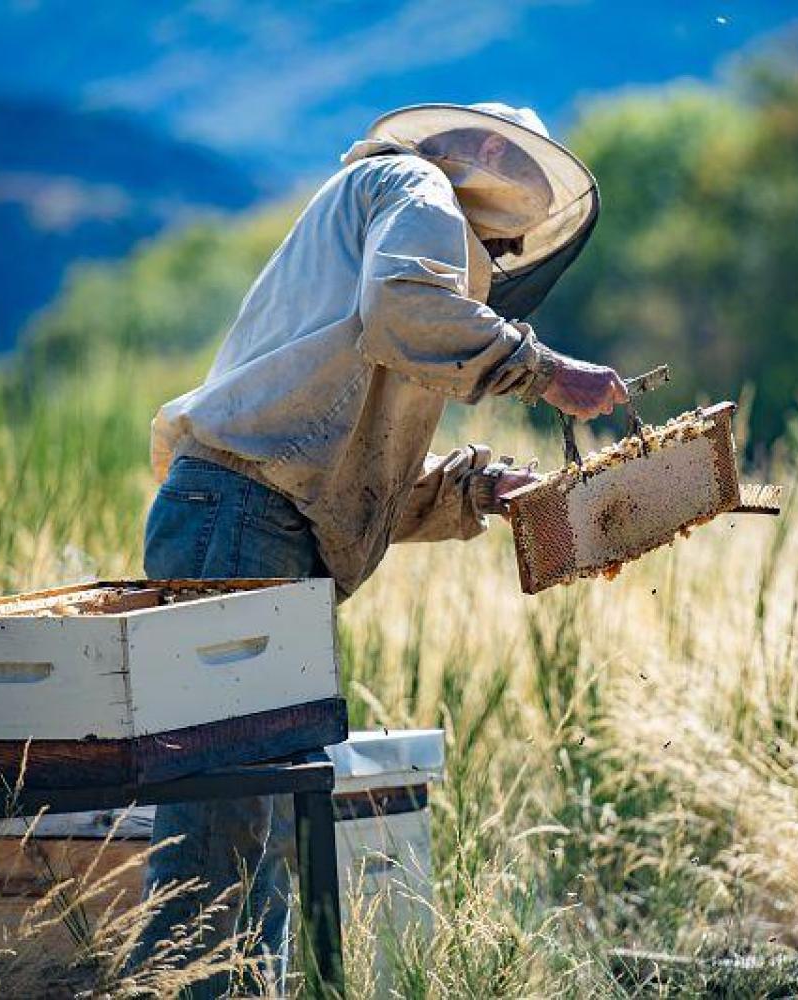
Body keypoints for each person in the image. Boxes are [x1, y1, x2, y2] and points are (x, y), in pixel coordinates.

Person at [133, 102, 626, 996]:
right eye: (497, 153)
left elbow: (345, 459)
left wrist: (479, 489)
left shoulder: (391, 224)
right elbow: (401, 313)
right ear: (469, 151)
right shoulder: (415, 189)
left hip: (245, 519)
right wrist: (546, 371)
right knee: (220, 835)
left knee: (257, 831)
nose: (503, 173)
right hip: (239, 521)